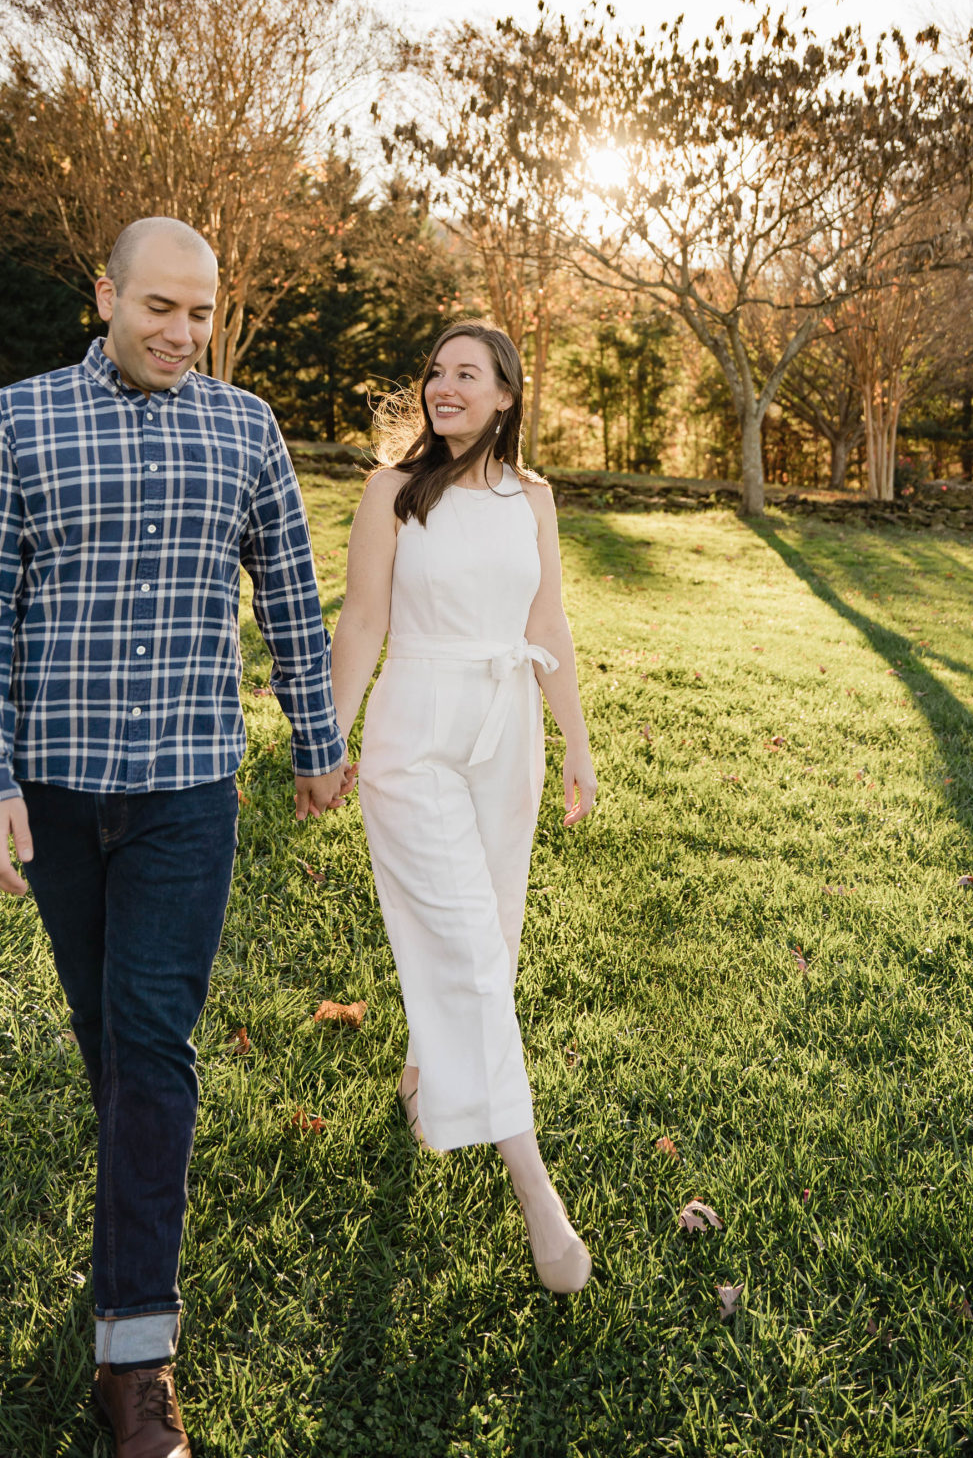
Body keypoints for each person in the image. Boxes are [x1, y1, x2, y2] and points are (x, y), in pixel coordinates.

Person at [0, 218, 349, 1458]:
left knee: (154, 1047)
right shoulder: (16, 420)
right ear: (102, 293)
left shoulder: (247, 427)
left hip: (186, 795)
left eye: (201, 311)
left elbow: (287, 584)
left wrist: (317, 738)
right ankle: (130, 1241)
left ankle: (134, 1356)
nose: (181, 331)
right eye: (158, 305)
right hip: (55, 794)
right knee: (107, 1043)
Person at [331, 322, 599, 1294]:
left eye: (465, 374)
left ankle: (422, 1061)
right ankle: (537, 1195)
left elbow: (547, 618)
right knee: (474, 961)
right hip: (414, 733)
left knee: (491, 931)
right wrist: (327, 738)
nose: (443, 386)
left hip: (509, 728)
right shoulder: (391, 492)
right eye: (434, 371)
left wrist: (574, 737)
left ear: (504, 397)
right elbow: (361, 618)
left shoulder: (533, 497)